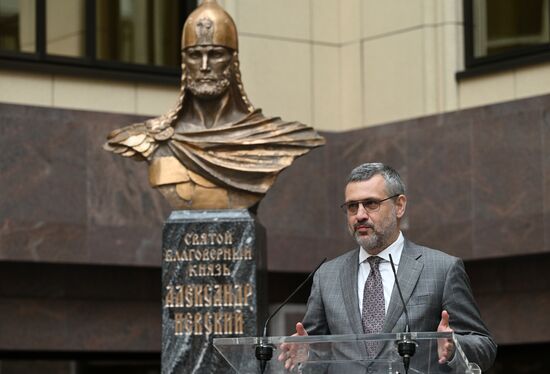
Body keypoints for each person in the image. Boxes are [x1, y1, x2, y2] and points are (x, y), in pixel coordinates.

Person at [104, 0, 324, 210]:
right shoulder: (150, 139)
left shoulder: (275, 138)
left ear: (233, 62)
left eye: (216, 54)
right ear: (184, 63)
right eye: (194, 55)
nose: (205, 66)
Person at [279, 163, 496, 372]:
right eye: (352, 206)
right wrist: (306, 357)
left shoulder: (442, 269)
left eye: (371, 203)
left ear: (399, 206)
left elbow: (484, 345)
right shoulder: (327, 276)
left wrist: (454, 348)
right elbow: (318, 351)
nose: (360, 215)